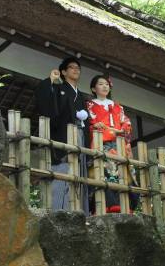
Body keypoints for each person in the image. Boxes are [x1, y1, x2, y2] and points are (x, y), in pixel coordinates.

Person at [34, 56, 91, 211]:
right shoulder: (60, 88)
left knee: (79, 174)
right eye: (72, 67)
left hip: (80, 135)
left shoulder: (81, 95)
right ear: (64, 72)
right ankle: (59, 211)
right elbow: (47, 103)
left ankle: (79, 211)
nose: (76, 70)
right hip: (64, 135)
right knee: (63, 171)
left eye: (78, 68)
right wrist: (50, 81)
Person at [85, 74, 137, 213]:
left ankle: (125, 205)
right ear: (93, 88)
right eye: (101, 84)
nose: (104, 86)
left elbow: (126, 124)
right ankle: (106, 205)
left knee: (123, 174)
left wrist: (120, 131)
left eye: (107, 84)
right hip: (100, 144)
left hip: (119, 146)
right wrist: (97, 127)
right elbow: (88, 125)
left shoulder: (117, 107)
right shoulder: (89, 105)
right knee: (103, 174)